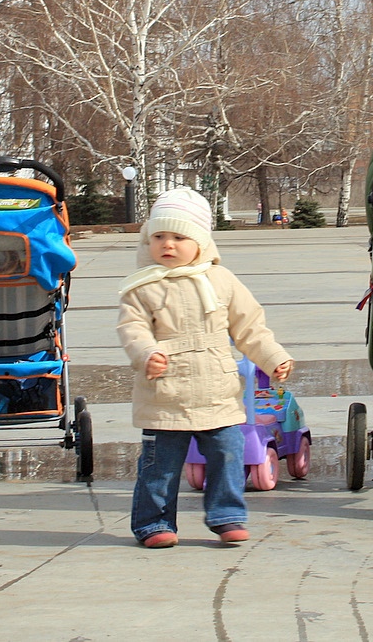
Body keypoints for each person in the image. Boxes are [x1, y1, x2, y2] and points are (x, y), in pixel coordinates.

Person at [117, 188, 294, 548]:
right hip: (164, 395)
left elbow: (250, 328)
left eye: (179, 237)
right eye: (159, 236)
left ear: (200, 242)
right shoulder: (142, 288)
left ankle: (227, 515)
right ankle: (154, 523)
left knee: (228, 454)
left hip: (217, 393)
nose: (168, 244)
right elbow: (131, 329)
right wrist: (146, 352)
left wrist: (273, 357)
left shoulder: (222, 281)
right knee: (159, 466)